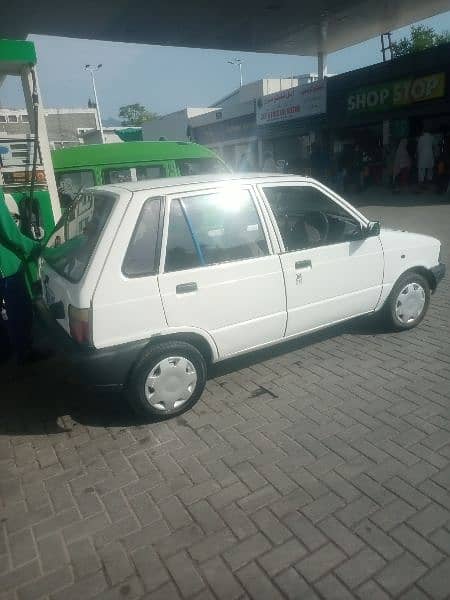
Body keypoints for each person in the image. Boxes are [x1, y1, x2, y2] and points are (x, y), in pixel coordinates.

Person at [0, 189, 44, 365]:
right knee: (19, 310)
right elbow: (10, 233)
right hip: (6, 266)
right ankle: (24, 353)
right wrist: (37, 247)